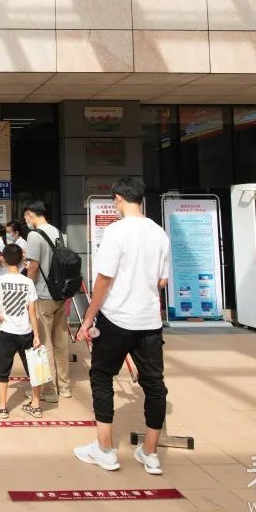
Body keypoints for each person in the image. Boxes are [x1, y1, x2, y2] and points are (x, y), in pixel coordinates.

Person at [74, 177, 170, 475]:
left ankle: (105, 450)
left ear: (118, 199)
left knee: (102, 375)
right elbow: (162, 281)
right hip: (149, 320)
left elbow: (104, 279)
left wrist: (88, 318)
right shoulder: (159, 233)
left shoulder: (115, 232)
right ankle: (150, 453)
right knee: (154, 384)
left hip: (116, 318)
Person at [0, 243, 43, 419]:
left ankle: (2, 407)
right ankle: (36, 406)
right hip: (26, 332)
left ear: (4, 260)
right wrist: (37, 336)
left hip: (6, 332)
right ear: (22, 260)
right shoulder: (28, 282)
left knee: (3, 371)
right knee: (33, 370)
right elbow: (32, 311)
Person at [23, 201, 70, 404]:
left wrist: (28, 292)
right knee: (60, 342)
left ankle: (49, 390)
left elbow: (33, 267)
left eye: (26, 217)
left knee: (44, 344)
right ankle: (65, 387)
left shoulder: (34, 235)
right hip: (60, 294)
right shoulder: (59, 232)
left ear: (30, 214)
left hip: (43, 295)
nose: (26, 221)